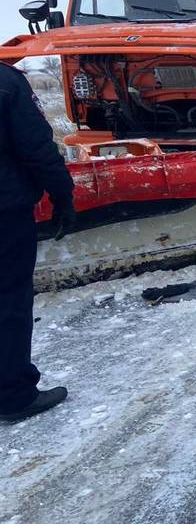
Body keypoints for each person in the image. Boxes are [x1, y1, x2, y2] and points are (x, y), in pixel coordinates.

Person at [0, 62, 75, 422]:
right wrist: (63, 195)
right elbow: (34, 146)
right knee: (8, 299)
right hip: (4, 213)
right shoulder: (5, 82)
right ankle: (12, 395)